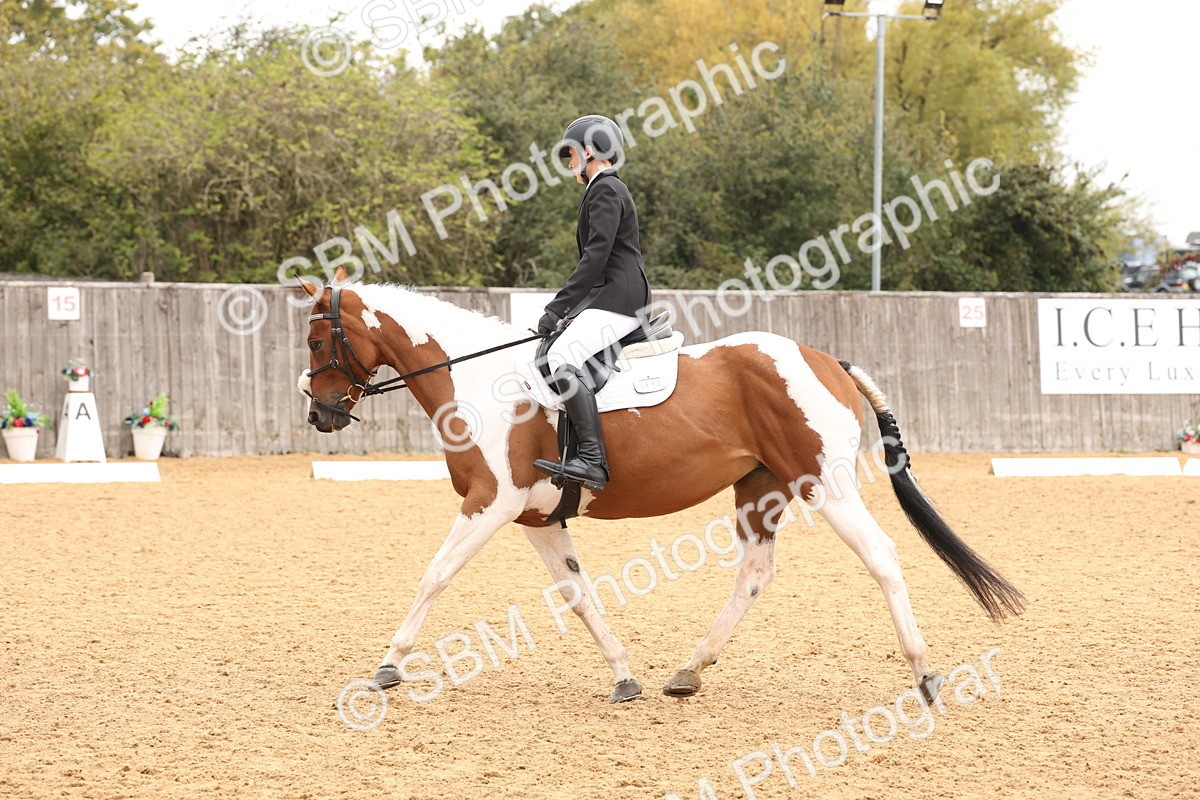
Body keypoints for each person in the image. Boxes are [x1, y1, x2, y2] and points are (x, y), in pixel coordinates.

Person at [532, 114, 652, 492]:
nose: (570, 165)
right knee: (554, 354)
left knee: (557, 358)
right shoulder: (605, 190)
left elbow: (596, 255)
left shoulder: (604, 190)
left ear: (589, 150)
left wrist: (559, 307)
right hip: (613, 296)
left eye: (571, 155)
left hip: (619, 298)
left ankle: (592, 461)